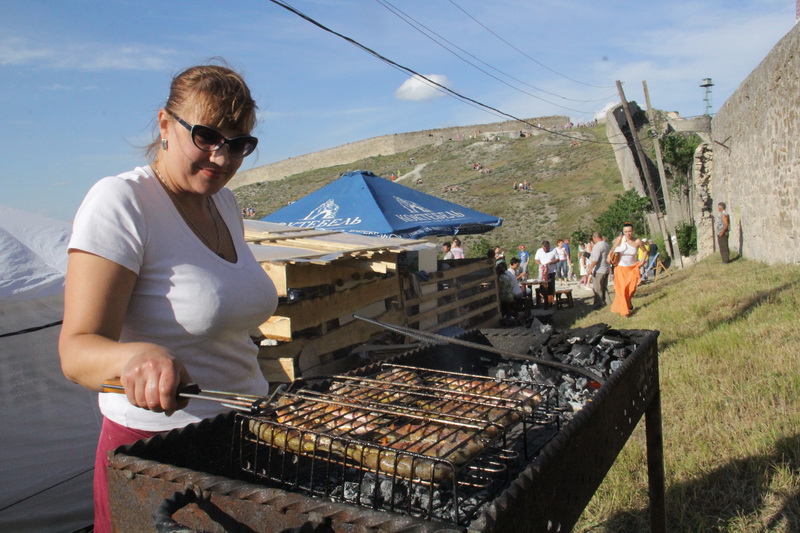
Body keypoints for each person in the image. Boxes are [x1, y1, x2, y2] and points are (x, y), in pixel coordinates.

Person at [58, 63, 277, 532]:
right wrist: (136, 356)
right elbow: (76, 351)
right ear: (164, 124)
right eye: (207, 136)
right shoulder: (121, 201)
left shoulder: (223, 202)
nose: (221, 157)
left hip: (244, 435)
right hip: (157, 454)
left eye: (239, 144)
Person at [608, 223, 646, 317]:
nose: (628, 234)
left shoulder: (637, 241)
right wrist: (610, 254)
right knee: (622, 290)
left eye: (629, 231)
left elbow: (645, 251)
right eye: (625, 232)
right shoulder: (620, 239)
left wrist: (642, 261)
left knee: (631, 289)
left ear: (632, 231)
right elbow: (613, 249)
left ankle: (628, 303)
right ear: (623, 232)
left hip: (632, 268)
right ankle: (625, 311)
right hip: (620, 268)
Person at [586, 232, 610, 308]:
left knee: (597, 288)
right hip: (606, 268)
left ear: (594, 237)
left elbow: (595, 260)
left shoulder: (598, 246)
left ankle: (598, 304)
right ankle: (607, 302)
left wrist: (590, 268)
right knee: (604, 287)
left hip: (599, 269)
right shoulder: (606, 244)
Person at [534, 240, 559, 307]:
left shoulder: (553, 250)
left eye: (546, 248)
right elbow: (536, 260)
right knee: (542, 286)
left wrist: (552, 262)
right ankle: (542, 300)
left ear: (549, 246)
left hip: (551, 271)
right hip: (542, 272)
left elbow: (557, 259)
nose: (545, 249)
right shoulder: (539, 251)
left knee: (551, 286)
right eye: (544, 248)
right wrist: (540, 264)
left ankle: (550, 301)